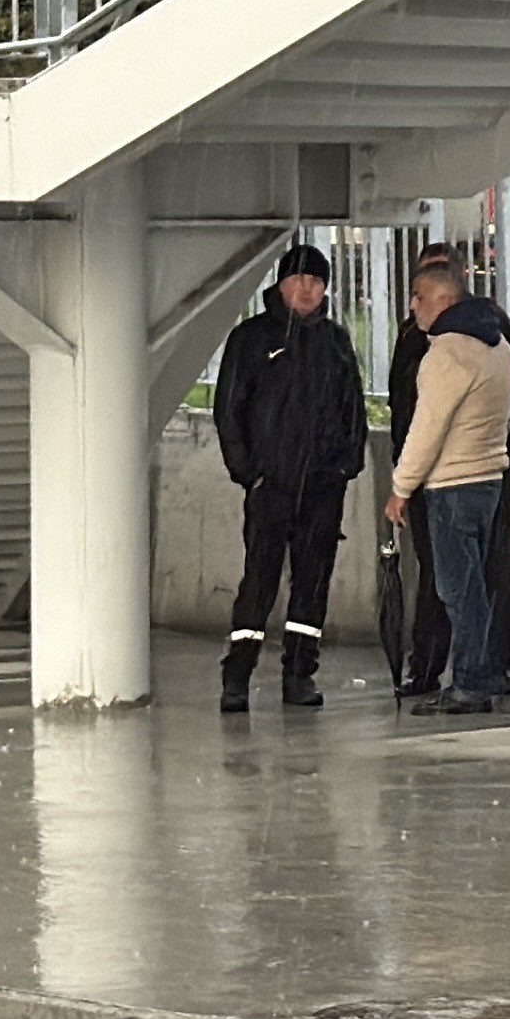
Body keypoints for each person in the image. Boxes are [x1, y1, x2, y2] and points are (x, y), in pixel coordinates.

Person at [210, 243, 364, 713]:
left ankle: (299, 674)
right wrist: (250, 475)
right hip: (270, 486)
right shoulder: (252, 340)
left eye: (317, 282)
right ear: (280, 284)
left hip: (321, 488)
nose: (307, 289)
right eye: (299, 279)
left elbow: (353, 411)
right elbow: (229, 410)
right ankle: (238, 674)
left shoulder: (335, 343)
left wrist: (344, 467)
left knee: (312, 582)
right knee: (259, 579)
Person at [385, 246, 510, 699]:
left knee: (457, 591)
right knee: (481, 583)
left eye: (419, 297)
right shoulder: (498, 344)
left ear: (445, 301)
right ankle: (486, 669)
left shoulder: (445, 354)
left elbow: (425, 429)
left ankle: (470, 680)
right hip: (488, 480)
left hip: (450, 485)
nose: (412, 306)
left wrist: (400, 488)